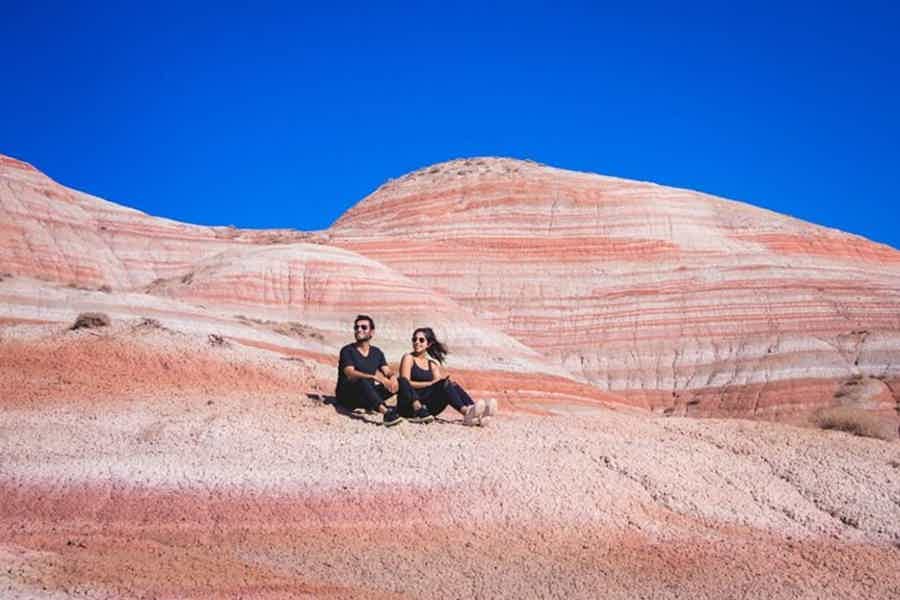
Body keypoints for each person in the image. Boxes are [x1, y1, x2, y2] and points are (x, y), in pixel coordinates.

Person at [335, 315, 432, 426]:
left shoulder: (377, 352)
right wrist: (375, 377)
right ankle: (386, 413)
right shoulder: (347, 350)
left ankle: (418, 409)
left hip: (367, 396)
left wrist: (392, 377)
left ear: (372, 332)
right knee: (362, 380)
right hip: (348, 396)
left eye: (363, 327)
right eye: (356, 327)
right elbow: (350, 373)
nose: (359, 330)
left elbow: (387, 371)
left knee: (402, 380)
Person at [397, 327, 498, 426]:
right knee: (444, 384)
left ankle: (475, 412)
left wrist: (438, 384)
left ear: (429, 344)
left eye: (421, 340)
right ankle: (466, 412)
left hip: (427, 406)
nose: (417, 342)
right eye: (414, 339)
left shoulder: (432, 364)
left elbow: (438, 384)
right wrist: (429, 384)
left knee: (451, 384)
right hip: (411, 405)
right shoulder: (408, 358)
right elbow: (405, 383)